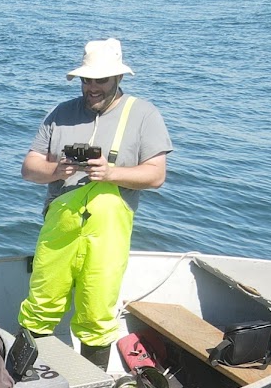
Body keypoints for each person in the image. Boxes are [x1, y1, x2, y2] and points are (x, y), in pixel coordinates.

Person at [18, 37, 172, 369]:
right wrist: (56, 170)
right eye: (87, 80)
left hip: (108, 232)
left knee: (97, 312)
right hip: (59, 226)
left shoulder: (144, 114)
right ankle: (20, 380)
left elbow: (156, 175)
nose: (91, 88)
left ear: (118, 77)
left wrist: (111, 173)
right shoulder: (61, 113)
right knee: (40, 303)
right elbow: (29, 168)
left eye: (100, 80)